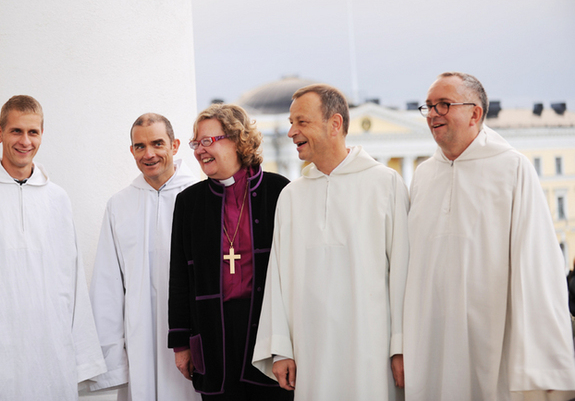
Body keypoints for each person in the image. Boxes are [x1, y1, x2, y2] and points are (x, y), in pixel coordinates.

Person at [403, 72, 575, 401]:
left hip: (492, 337)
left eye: (444, 104)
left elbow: (537, 264)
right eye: (429, 107)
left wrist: (546, 360)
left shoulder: (512, 168)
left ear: (475, 113)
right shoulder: (423, 175)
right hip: (432, 340)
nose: (434, 114)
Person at [0, 95, 106, 401]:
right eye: (16, 131)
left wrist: (80, 359)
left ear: (41, 135)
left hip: (53, 358)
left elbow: (74, 284)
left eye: (33, 132)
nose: (25, 141)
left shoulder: (57, 199)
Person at [252, 84, 409, 401]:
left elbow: (404, 272)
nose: (291, 132)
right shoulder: (291, 196)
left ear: (335, 124)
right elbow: (277, 279)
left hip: (371, 351)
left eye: (301, 122)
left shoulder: (385, 183)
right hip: (312, 352)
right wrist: (280, 348)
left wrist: (401, 346)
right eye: (290, 122)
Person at [168, 104, 292, 400]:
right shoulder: (189, 202)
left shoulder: (280, 192)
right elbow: (179, 278)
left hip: (266, 328)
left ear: (238, 140)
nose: (200, 150)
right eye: (197, 143)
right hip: (213, 332)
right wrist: (181, 344)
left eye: (209, 140)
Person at [89, 113, 199, 401]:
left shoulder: (199, 197)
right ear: (132, 151)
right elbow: (107, 287)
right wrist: (111, 358)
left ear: (175, 145)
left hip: (191, 338)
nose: (149, 154)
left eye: (157, 143)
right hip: (139, 341)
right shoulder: (119, 205)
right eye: (140, 146)